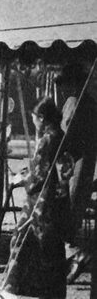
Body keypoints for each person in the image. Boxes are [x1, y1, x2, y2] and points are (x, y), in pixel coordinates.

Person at [0, 97, 73, 299]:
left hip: (40, 202)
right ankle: (51, 291)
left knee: (24, 241)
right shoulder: (60, 135)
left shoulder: (47, 139)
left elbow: (39, 175)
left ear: (40, 118)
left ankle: (16, 287)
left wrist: (24, 179)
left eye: (34, 119)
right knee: (50, 247)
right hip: (56, 200)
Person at [54, 63, 97, 283]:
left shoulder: (74, 102)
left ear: (72, 84)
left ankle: (77, 256)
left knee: (67, 211)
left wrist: (54, 150)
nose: (62, 88)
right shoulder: (89, 102)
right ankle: (75, 256)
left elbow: (66, 133)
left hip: (76, 160)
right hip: (86, 161)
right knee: (74, 209)